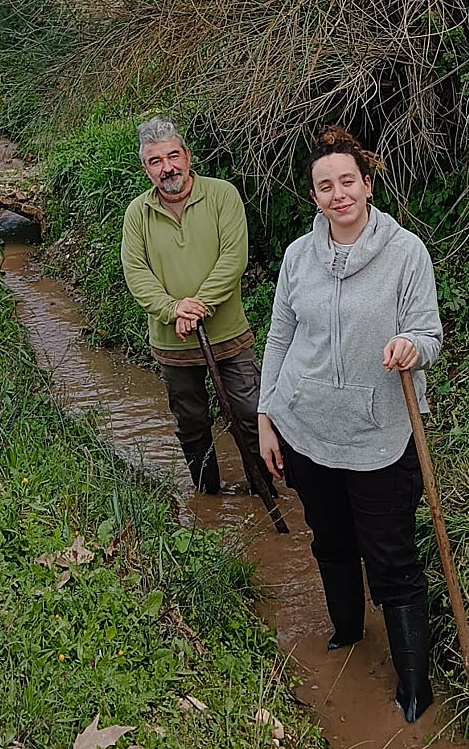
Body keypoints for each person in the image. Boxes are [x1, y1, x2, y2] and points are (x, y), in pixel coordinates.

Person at [257, 127, 443, 723]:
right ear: (314, 196)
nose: (337, 194)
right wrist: (266, 416)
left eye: (346, 181)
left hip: (380, 433)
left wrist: (410, 347)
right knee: (331, 539)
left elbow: (428, 333)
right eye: (324, 185)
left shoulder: (406, 253)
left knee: (390, 556)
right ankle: (345, 632)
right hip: (306, 428)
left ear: (367, 183)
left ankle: (415, 682)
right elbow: (281, 336)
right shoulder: (296, 257)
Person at [120, 116, 274, 496]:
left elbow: (233, 258)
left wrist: (198, 305)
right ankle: (208, 497)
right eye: (156, 161)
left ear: (188, 157)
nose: (167, 167)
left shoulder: (223, 195)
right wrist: (174, 310)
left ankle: (265, 490)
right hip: (173, 345)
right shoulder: (136, 214)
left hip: (229, 336)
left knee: (249, 413)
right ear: (146, 169)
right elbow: (137, 274)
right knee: (190, 422)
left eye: (173, 156)